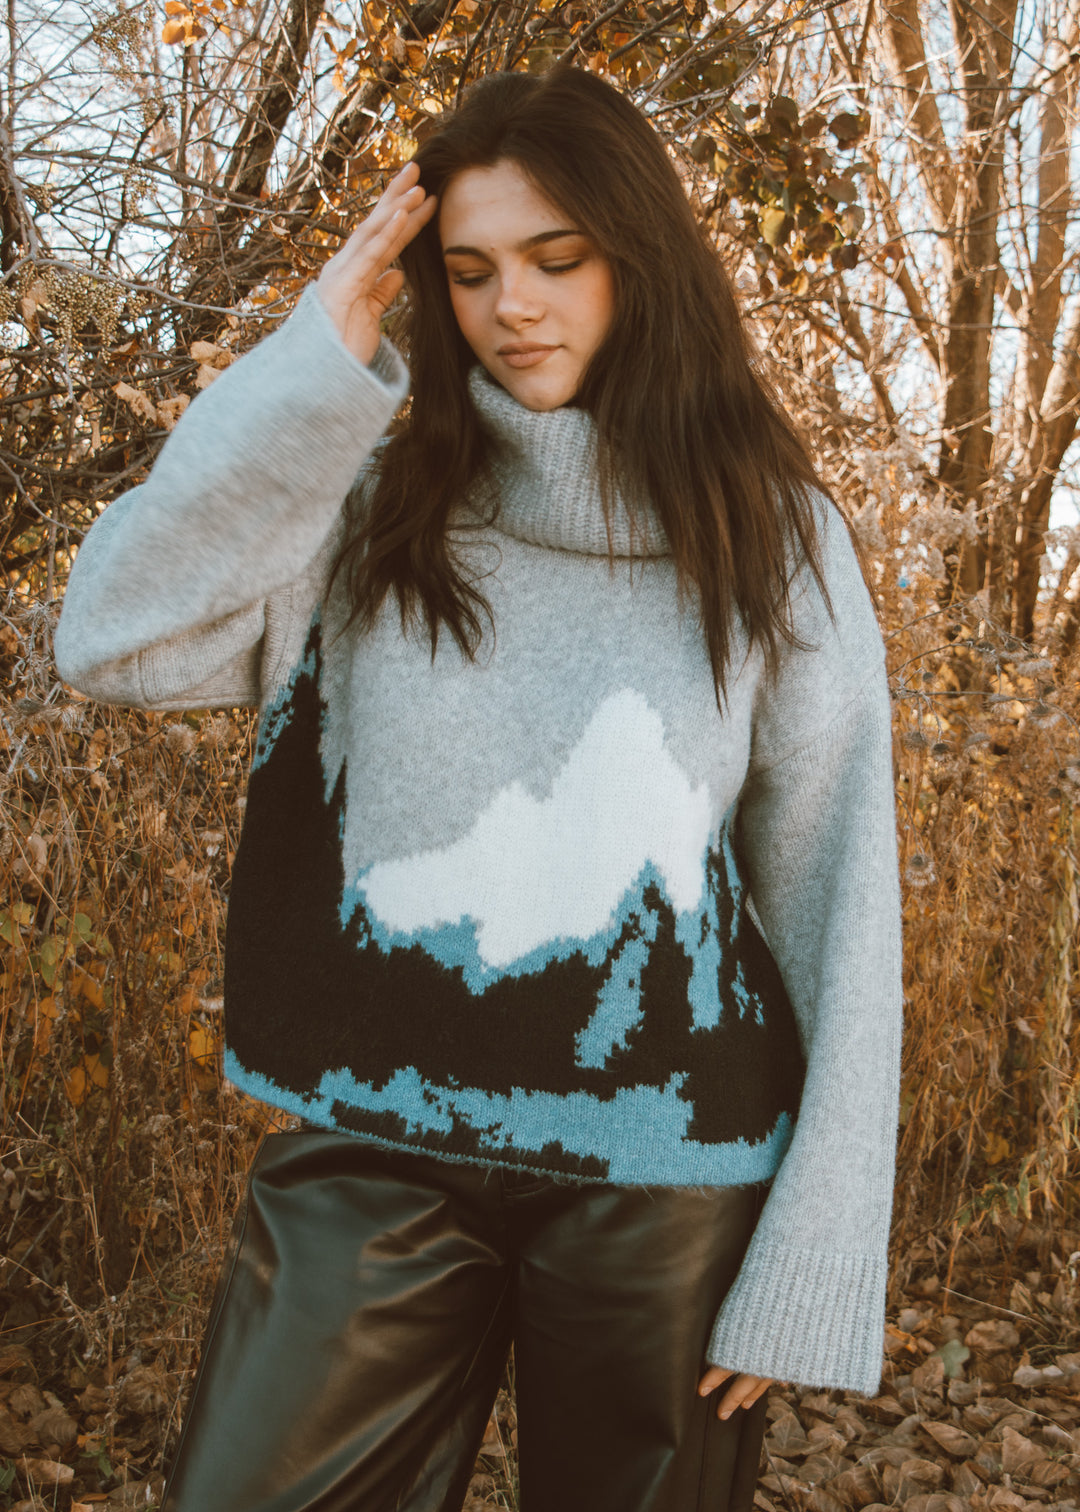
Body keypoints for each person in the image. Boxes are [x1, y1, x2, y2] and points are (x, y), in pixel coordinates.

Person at [55, 65, 902, 1512]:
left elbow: (839, 895)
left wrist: (812, 1255)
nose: (514, 305)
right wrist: (309, 370)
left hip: (671, 1173)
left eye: (558, 258)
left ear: (640, 259)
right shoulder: (371, 508)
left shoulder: (773, 537)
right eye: (469, 270)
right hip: (374, 1145)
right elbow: (113, 640)